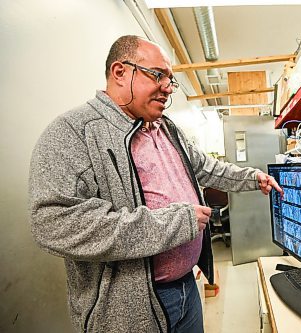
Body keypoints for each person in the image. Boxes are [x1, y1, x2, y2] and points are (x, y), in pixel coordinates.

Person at [28, 35, 283, 333]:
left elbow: (205, 168)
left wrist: (252, 178)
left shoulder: (167, 129)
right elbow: (53, 223)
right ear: (120, 72)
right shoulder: (73, 132)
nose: (168, 87)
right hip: (127, 315)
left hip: (187, 289)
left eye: (170, 80)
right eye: (158, 75)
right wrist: (176, 223)